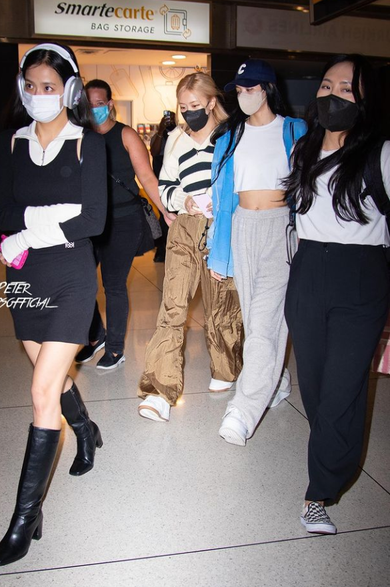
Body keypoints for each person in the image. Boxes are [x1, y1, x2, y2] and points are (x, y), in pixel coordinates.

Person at [0, 43, 107, 566]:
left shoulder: (88, 144)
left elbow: (93, 220)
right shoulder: (8, 143)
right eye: (32, 86)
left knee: (41, 392)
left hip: (71, 275)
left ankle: (24, 517)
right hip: (25, 276)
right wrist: (54, 217)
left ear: (70, 90)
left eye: (50, 87)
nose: (39, 95)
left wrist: (28, 230)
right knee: (53, 379)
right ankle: (85, 429)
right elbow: (2, 212)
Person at [284, 54, 390, 535]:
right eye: (327, 85)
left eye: (347, 88)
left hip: (360, 276)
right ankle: (332, 456)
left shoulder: (379, 154)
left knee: (342, 391)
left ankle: (317, 493)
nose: (333, 95)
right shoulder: (303, 150)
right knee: (314, 386)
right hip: (307, 271)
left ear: (364, 100)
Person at [208, 60, 307, 446]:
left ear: (267, 89)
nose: (243, 96)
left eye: (250, 89)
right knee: (256, 322)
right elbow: (222, 201)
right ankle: (277, 382)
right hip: (242, 228)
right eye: (239, 90)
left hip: (280, 229)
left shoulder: (294, 130)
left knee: (264, 325)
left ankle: (243, 412)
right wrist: (218, 253)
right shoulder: (230, 136)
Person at [137, 72, 243, 422]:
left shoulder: (232, 136)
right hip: (185, 227)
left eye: (195, 105)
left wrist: (223, 201)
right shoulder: (175, 139)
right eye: (183, 107)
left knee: (221, 307)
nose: (188, 113)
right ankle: (159, 390)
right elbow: (165, 184)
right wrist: (184, 200)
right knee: (173, 306)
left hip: (222, 229)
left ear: (212, 102)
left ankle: (227, 367)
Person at [75, 79, 174, 370]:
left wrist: (166, 211)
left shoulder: (125, 135)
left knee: (113, 284)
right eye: (89, 104)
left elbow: (147, 178)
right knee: (80, 282)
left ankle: (115, 349)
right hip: (90, 223)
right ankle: (97, 336)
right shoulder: (80, 136)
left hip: (123, 220)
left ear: (109, 104)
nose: (94, 109)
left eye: (99, 103)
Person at [150, 111, 176, 262]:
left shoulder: (179, 136)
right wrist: (160, 130)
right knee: (164, 216)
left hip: (176, 182)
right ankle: (161, 250)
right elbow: (154, 151)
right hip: (159, 181)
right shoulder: (158, 137)